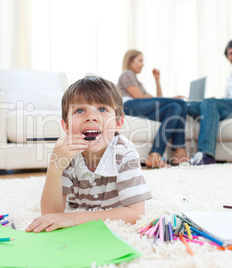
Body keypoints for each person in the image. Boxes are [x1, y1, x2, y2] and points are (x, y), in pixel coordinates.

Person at [26, 76, 152, 233]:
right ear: (65, 126)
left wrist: (74, 218)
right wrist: (55, 167)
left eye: (102, 109)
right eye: (79, 110)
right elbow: (51, 214)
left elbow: (136, 213)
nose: (91, 117)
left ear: (118, 123)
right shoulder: (66, 153)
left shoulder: (125, 152)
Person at [118, 49, 189, 168]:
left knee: (175, 106)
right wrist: (169, 98)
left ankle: (155, 155)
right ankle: (179, 150)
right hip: (130, 106)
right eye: (140, 60)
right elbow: (139, 97)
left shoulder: (138, 82)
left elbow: (157, 99)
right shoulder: (127, 74)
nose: (143, 64)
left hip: (140, 109)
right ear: (130, 61)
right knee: (181, 103)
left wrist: (157, 80)